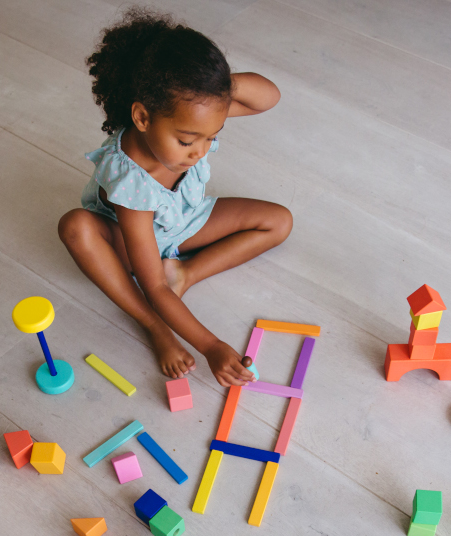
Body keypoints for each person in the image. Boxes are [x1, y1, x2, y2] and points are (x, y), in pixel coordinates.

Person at [58, 8, 291, 385]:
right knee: (75, 227)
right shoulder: (132, 179)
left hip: (184, 220)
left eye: (211, 137)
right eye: (186, 141)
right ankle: (154, 326)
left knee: (279, 221)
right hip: (131, 243)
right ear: (142, 118)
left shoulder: (191, 113)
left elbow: (268, 97)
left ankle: (185, 272)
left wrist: (214, 88)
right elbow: (153, 285)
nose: (199, 151)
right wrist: (211, 345)